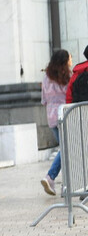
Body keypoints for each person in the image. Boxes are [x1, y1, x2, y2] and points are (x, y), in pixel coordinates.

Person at [41, 49, 72, 195]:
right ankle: (51, 177)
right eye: (69, 59)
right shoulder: (67, 77)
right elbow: (70, 95)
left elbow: (43, 100)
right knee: (66, 149)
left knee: (65, 149)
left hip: (51, 118)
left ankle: (62, 184)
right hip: (64, 116)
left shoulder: (46, 78)